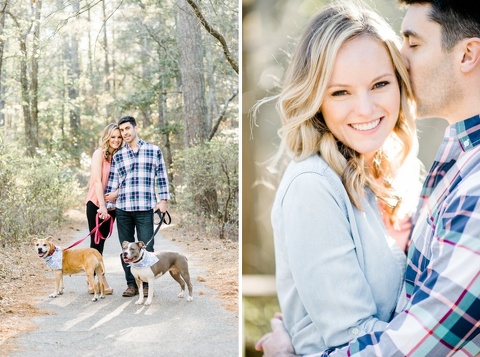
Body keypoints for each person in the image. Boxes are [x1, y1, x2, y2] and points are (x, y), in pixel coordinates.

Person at [257, 0, 480, 355]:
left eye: (379, 84)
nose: (365, 108)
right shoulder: (313, 186)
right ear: (317, 99)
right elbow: (354, 339)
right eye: (340, 92)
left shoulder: (403, 175)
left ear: (398, 81)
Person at [105, 115, 170, 298]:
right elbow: (113, 182)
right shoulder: (119, 155)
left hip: (145, 208)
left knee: (147, 249)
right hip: (123, 208)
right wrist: (108, 206)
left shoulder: (153, 150)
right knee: (126, 250)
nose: (124, 133)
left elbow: (161, 176)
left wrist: (163, 200)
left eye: (127, 129)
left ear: (136, 128)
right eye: (122, 130)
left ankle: (148, 285)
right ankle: (131, 284)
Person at [85, 123, 122, 294]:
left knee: (102, 243)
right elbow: (97, 181)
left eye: (119, 137)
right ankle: (97, 282)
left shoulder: (121, 155)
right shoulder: (99, 154)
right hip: (97, 204)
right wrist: (102, 206)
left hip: (113, 205)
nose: (116, 140)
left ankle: (93, 279)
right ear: (107, 137)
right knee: (96, 244)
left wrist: (116, 193)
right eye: (113, 137)